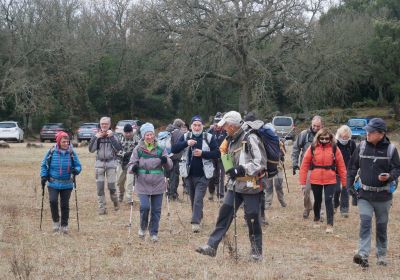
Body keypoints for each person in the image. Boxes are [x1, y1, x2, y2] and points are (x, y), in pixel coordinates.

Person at [196, 111, 267, 261]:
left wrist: (241, 169)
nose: (223, 129)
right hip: (235, 185)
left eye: (226, 126)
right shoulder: (231, 138)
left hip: (251, 185)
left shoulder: (251, 137)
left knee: (252, 218)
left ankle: (256, 253)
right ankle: (211, 246)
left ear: (233, 126)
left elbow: (260, 162)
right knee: (225, 213)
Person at [347, 118, 400, 268]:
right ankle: (363, 254)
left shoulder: (391, 149)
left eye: (371, 131)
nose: (367, 133)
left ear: (381, 134)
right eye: (367, 130)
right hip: (364, 195)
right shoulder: (361, 146)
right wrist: (349, 185)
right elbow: (352, 167)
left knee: (381, 226)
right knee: (365, 223)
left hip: (383, 196)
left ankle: (381, 255)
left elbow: (397, 168)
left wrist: (389, 176)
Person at [171, 115, 220, 233]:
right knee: (193, 199)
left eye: (199, 125)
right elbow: (174, 149)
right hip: (188, 174)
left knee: (198, 198)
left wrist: (203, 153)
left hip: (204, 174)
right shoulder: (186, 136)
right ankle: (199, 216)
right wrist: (186, 143)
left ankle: (195, 223)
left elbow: (217, 153)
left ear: (202, 126)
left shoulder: (209, 137)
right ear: (191, 126)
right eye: (194, 125)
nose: (197, 128)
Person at [129, 122, 173, 242]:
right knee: (144, 207)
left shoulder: (160, 148)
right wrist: (133, 168)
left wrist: (165, 161)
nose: (149, 137)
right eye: (147, 135)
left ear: (154, 135)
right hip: (142, 182)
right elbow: (131, 164)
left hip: (158, 182)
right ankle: (142, 228)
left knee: (156, 210)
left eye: (151, 134)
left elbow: (169, 165)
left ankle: (154, 233)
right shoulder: (138, 149)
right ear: (143, 136)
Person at [299, 128, 347, 233]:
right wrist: (302, 182)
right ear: (318, 138)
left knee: (329, 201)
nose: (324, 141)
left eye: (327, 139)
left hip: (330, 178)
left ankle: (330, 224)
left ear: (331, 138)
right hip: (315, 178)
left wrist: (344, 183)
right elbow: (304, 165)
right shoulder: (312, 148)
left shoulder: (335, 149)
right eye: (322, 139)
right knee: (317, 200)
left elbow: (341, 166)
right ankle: (316, 218)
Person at [40, 131, 82, 233]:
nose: (66, 144)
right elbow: (44, 165)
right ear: (58, 141)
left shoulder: (71, 152)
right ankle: (55, 222)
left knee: (64, 205)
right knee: (53, 201)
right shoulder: (51, 151)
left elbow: (78, 165)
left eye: (67, 142)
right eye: (64, 142)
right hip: (53, 182)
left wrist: (76, 170)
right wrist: (43, 176)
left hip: (67, 183)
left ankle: (64, 226)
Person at [292, 116, 324, 219]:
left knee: (320, 192)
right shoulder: (304, 134)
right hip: (307, 167)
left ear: (321, 126)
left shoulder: (326, 136)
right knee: (306, 190)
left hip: (322, 168)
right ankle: (307, 207)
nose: (315, 128)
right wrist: (294, 163)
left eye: (318, 126)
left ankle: (320, 212)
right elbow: (296, 148)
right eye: (314, 125)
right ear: (311, 124)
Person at [89, 117, 122, 214]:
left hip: (111, 163)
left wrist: (111, 137)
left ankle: (115, 202)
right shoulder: (96, 136)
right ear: (100, 124)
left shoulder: (114, 136)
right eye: (102, 124)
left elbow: (119, 149)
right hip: (99, 164)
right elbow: (91, 150)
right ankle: (102, 208)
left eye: (106, 124)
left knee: (111, 187)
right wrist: (96, 138)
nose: (104, 125)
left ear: (109, 125)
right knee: (100, 187)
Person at [334, 125, 356, 217]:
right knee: (336, 190)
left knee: (345, 190)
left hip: (347, 171)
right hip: (335, 171)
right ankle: (335, 204)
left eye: (347, 137)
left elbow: (355, 157)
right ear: (339, 135)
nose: (345, 139)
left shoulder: (351, 144)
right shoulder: (334, 143)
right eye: (343, 137)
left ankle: (344, 210)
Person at [116, 123, 140, 203]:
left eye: (130, 132)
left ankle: (129, 198)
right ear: (124, 132)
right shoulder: (119, 138)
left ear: (132, 131)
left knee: (130, 182)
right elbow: (116, 150)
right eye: (126, 132)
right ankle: (121, 193)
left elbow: (139, 149)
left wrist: (132, 155)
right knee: (119, 181)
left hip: (131, 163)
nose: (128, 134)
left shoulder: (136, 138)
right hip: (121, 162)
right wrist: (124, 154)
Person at [207, 112, 227, 201]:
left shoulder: (226, 132)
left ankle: (221, 195)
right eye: (216, 122)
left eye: (220, 122)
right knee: (212, 175)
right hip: (212, 156)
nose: (218, 124)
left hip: (223, 157)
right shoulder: (210, 131)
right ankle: (211, 192)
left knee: (221, 176)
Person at [166, 118, 186, 200]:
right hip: (175, 157)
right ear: (180, 126)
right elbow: (179, 146)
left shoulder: (168, 130)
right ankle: (172, 195)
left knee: (168, 176)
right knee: (174, 176)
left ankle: (168, 192)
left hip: (166, 157)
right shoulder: (179, 133)